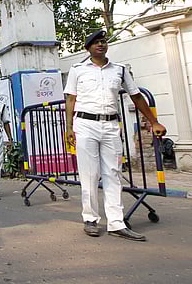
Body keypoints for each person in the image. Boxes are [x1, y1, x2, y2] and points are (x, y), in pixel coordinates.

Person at [64, 29, 166, 241]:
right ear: (88, 48)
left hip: (110, 125)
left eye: (103, 42)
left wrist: (154, 121)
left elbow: (136, 96)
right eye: (96, 42)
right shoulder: (77, 70)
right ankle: (91, 219)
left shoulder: (119, 70)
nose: (100, 45)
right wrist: (68, 127)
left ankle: (116, 223)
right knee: (89, 174)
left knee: (113, 173)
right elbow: (71, 100)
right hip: (85, 125)